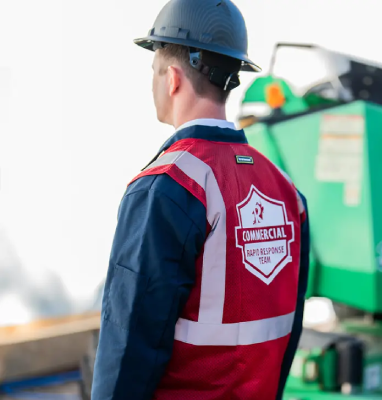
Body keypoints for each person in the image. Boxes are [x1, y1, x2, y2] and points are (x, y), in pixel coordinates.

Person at [91, 1, 310, 399]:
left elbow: (129, 344)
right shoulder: (286, 190)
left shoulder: (166, 186)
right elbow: (287, 331)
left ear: (172, 78)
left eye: (153, 72)